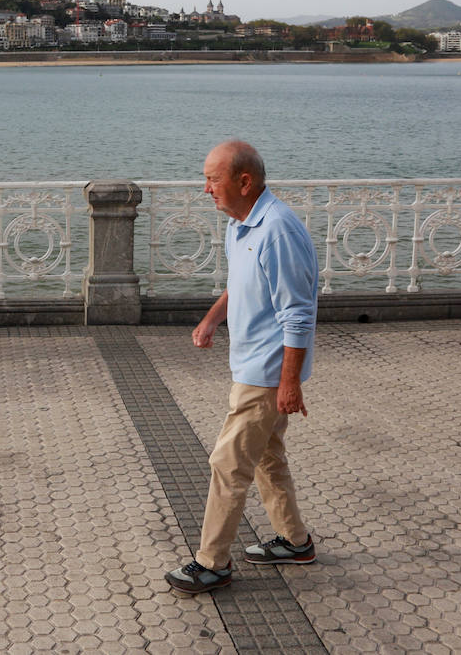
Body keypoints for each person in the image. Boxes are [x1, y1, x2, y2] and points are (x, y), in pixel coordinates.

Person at [165, 140, 319, 595]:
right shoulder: (241, 225)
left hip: (266, 373)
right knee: (268, 456)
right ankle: (295, 542)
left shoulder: (278, 230)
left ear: (244, 182)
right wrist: (212, 319)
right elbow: (242, 284)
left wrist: (288, 383)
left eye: (213, 179)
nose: (206, 189)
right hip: (251, 365)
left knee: (228, 464)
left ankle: (212, 562)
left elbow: (298, 313)